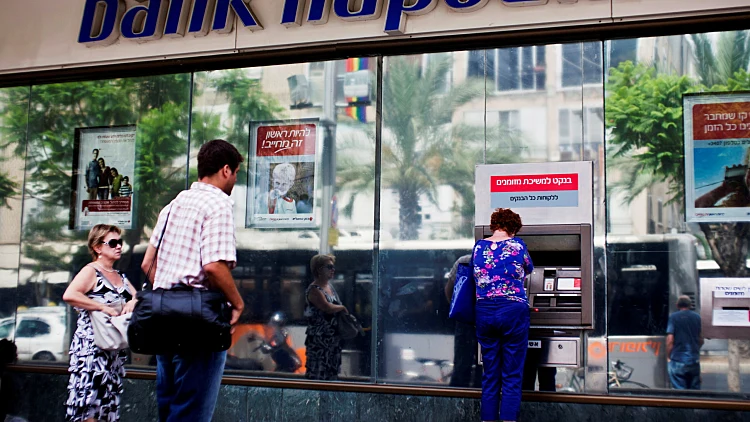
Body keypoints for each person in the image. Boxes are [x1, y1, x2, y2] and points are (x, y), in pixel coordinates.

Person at [140, 139, 245, 422]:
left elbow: (148, 264)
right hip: (197, 320)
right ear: (225, 170)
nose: (235, 180)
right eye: (236, 173)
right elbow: (213, 266)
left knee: (170, 406)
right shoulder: (218, 204)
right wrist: (237, 303)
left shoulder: (173, 205)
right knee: (192, 413)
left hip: (161, 317)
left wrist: (169, 290)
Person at [62, 224, 137, 422]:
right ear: (97, 247)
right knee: (89, 402)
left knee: (107, 402)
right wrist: (101, 306)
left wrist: (132, 302)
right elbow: (70, 294)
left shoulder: (121, 276)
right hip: (92, 347)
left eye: (119, 242)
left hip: (113, 347)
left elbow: (139, 297)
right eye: (112, 243)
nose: (118, 246)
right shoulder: (91, 271)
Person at [473, 208, 532, 422]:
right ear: (513, 228)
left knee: (490, 375)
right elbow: (529, 269)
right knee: (512, 375)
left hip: (485, 311)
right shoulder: (518, 245)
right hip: (512, 311)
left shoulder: (479, 247)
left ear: (493, 225)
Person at [304, 254, 347, 380]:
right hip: (319, 340)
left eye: (333, 267)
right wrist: (342, 308)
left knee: (332, 371)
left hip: (333, 339)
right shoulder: (314, 289)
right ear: (319, 269)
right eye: (329, 267)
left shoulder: (330, 287)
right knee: (318, 371)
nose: (333, 270)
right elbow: (327, 307)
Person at [444, 254, 481, 388]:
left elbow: (449, 289)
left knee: (461, 362)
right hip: (488, 318)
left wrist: (459, 310)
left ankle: (458, 398)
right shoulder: (500, 260)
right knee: (484, 366)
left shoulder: (464, 260)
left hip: (465, 319)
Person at [666, 295, 703, 390]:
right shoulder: (697, 317)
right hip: (693, 360)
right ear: (690, 305)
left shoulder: (673, 317)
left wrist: (668, 357)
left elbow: (670, 340)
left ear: (677, 305)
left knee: (680, 393)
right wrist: (695, 349)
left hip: (677, 360)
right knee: (695, 392)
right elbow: (701, 339)